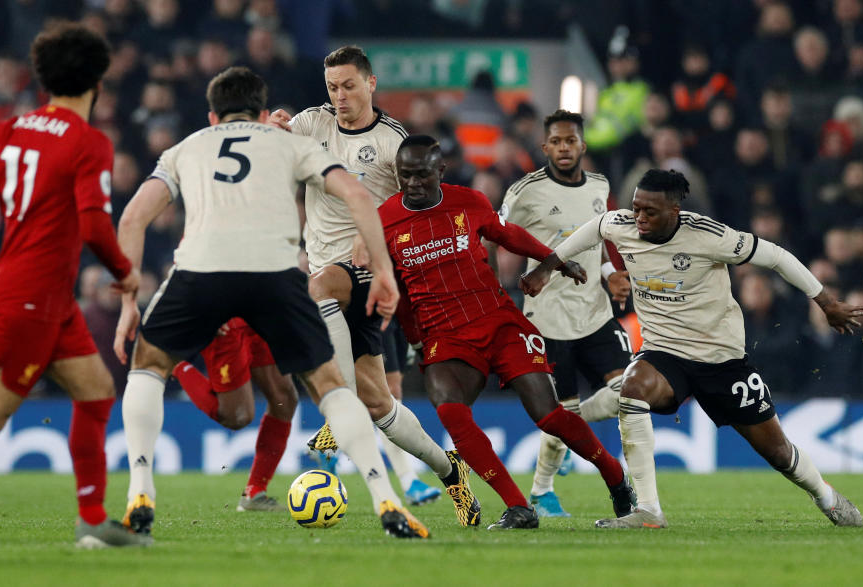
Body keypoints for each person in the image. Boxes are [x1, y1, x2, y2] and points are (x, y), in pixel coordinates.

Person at [114, 66, 428, 539]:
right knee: (330, 386)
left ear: (212, 116)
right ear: (264, 113)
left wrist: (127, 304)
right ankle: (387, 501)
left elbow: (133, 218)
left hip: (200, 270)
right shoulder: (290, 144)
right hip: (274, 274)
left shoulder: (186, 148)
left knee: (147, 364)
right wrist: (383, 272)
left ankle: (140, 491)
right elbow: (358, 195)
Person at [522, 168, 863, 529]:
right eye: (636, 208)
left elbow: (777, 257)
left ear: (674, 212)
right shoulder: (620, 225)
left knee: (778, 452)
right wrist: (547, 267)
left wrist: (826, 303)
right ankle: (649, 511)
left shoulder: (709, 236)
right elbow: (592, 229)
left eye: (649, 212)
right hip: (663, 352)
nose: (639, 217)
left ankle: (826, 497)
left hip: (721, 360)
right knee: (632, 389)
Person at [0, 24, 150, 548]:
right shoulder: (89, 141)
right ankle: (93, 519)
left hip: (48, 297)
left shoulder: (11, 129)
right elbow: (96, 226)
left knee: (97, 395)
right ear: (96, 82)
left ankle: (92, 521)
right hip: (31, 297)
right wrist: (126, 275)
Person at [377, 135, 636, 530]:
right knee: (450, 411)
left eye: (421, 175)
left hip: (498, 321)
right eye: (405, 175)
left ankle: (615, 477)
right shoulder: (384, 220)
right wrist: (414, 339)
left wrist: (552, 261)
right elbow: (395, 289)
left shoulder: (470, 202)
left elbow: (508, 235)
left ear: (440, 171)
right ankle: (518, 507)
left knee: (548, 415)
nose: (412, 183)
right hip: (443, 335)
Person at [269, 45, 476, 519]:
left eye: (348, 86)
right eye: (332, 88)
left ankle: (337, 412)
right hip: (328, 267)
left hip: (371, 271)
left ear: (371, 84)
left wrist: (378, 233)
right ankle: (451, 472)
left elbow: (418, 204)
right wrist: (273, 130)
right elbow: (276, 149)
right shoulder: (311, 124)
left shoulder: (392, 141)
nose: (339, 96)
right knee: (381, 404)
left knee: (316, 288)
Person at [499, 110, 633, 517]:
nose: (562, 148)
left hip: (595, 312)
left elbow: (600, 236)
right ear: (545, 147)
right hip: (548, 318)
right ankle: (542, 490)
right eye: (555, 142)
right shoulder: (525, 192)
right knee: (563, 414)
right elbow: (497, 233)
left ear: (582, 145)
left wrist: (610, 272)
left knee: (630, 392)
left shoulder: (599, 185)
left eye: (569, 141)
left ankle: (589, 455)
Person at [171, 318, 298, 511]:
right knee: (237, 417)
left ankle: (254, 492)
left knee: (285, 399)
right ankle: (173, 362)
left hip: (262, 314)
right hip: (227, 320)